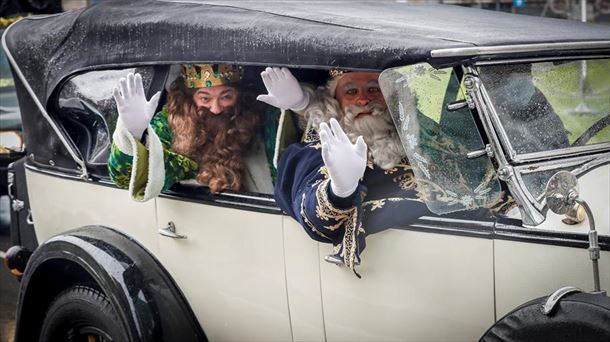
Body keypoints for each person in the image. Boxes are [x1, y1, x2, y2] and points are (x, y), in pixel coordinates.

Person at [258, 67, 433, 277]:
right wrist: (340, 189)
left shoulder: (423, 141)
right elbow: (313, 216)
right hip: (379, 272)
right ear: (334, 101)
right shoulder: (314, 154)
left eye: (373, 89)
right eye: (351, 92)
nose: (363, 100)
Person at [108, 64, 275, 201]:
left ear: (238, 95)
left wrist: (300, 105)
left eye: (226, 97)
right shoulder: (171, 123)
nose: (216, 109)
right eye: (205, 99)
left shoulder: (256, 117)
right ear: (189, 97)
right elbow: (128, 178)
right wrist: (134, 136)